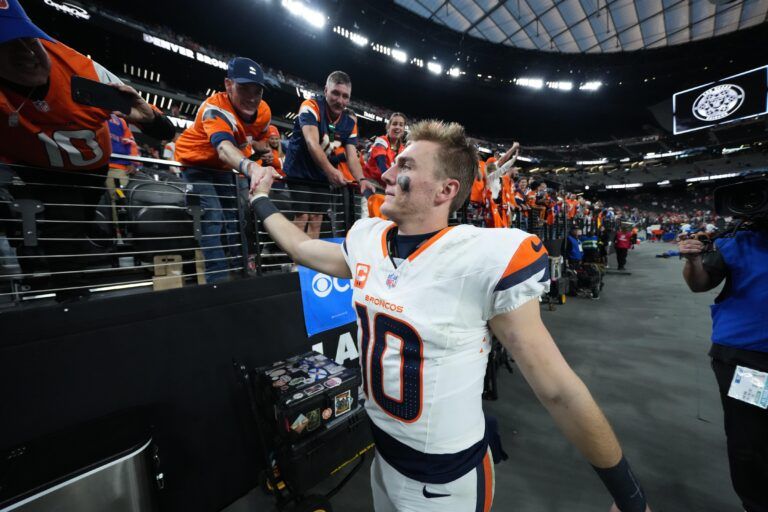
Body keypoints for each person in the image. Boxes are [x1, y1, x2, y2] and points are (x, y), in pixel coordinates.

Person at [251, 120, 651, 512]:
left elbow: (557, 389)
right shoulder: (367, 239)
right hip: (384, 458)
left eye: (405, 166)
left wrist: (629, 495)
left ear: (446, 190)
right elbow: (302, 248)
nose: (387, 172)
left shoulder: (480, 257)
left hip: (444, 485)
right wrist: (260, 200)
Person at [0, 0, 173, 297]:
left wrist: (150, 119)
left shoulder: (84, 71)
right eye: (8, 43)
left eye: (28, 39)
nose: (27, 53)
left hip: (90, 168)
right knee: (59, 239)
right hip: (33, 167)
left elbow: (164, 130)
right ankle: (70, 301)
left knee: (82, 229)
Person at [679, 220, 768, 512]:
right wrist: (693, 260)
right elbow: (700, 283)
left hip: (745, 352)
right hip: (748, 358)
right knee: (751, 439)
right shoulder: (738, 240)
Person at [174, 57, 275, 282]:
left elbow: (260, 139)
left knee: (236, 217)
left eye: (256, 91)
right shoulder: (215, 109)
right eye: (243, 88)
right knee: (213, 217)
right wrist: (251, 166)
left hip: (224, 168)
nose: (251, 97)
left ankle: (242, 274)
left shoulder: (264, 111)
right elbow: (224, 148)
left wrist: (262, 151)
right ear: (228, 85)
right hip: (196, 164)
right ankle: (216, 282)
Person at [283, 70, 375, 239]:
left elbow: (352, 156)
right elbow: (312, 143)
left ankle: (309, 260)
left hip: (320, 173)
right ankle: (294, 262)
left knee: (317, 218)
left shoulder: (349, 123)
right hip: (299, 170)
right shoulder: (311, 106)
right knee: (302, 216)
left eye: (345, 96)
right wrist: (331, 171)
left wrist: (361, 180)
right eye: (335, 93)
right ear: (326, 91)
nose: (340, 100)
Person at [364, 113, 406, 219]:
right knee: (370, 219)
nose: (397, 127)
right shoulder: (381, 140)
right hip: (373, 186)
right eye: (394, 124)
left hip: (388, 188)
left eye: (401, 125)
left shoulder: (402, 149)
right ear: (388, 127)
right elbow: (381, 164)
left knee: (386, 221)